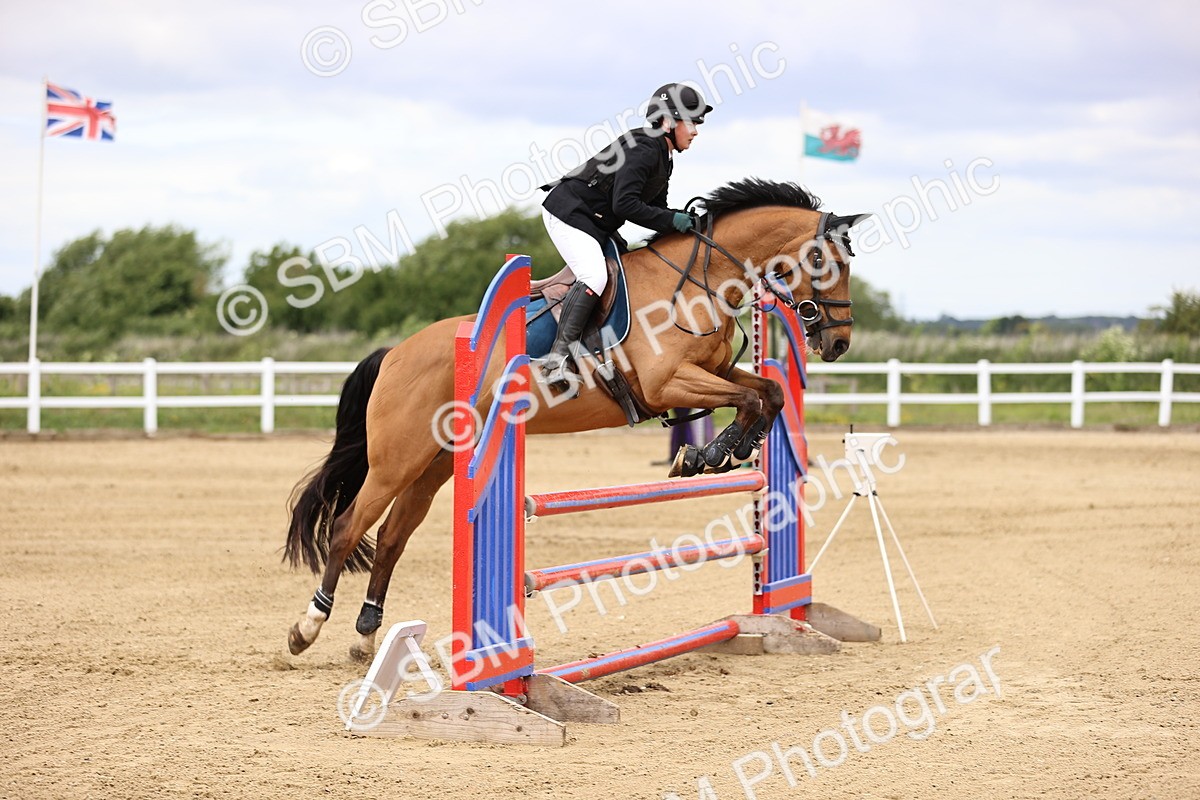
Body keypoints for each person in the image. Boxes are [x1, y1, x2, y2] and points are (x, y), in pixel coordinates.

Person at [538, 82, 712, 390]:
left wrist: (689, 224)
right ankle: (558, 358)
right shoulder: (644, 148)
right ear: (668, 122)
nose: (696, 130)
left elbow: (654, 209)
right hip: (568, 214)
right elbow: (626, 205)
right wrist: (673, 220)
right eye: (692, 121)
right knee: (594, 277)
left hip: (594, 221)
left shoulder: (662, 155)